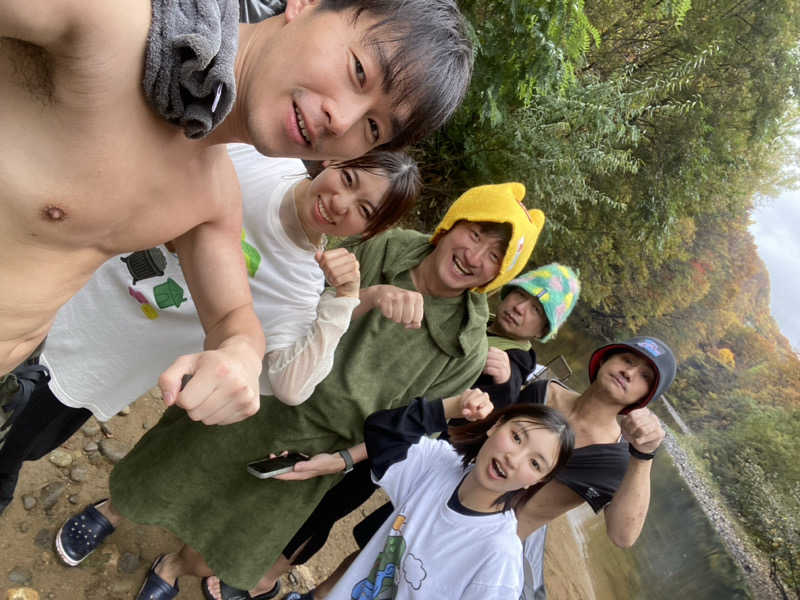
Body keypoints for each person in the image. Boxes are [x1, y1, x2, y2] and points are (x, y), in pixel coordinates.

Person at [56, 183, 545, 599]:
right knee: (172, 460)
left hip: (320, 449)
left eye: (494, 256)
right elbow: (299, 299)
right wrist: (367, 297)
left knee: (233, 528)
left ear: (498, 275)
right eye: (475, 234)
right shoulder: (387, 247)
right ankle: (114, 509)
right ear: (452, 224)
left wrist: (340, 461)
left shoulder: (467, 346)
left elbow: (407, 431)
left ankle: (174, 566)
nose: (473, 256)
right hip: (268, 387)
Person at [0, 0, 474, 429]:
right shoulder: (109, 28)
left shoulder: (212, 194)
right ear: (305, 5)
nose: (343, 120)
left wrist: (240, 358)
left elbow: (233, 319)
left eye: (372, 127)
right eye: (358, 70)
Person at [0, 144, 420, 514]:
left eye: (364, 210)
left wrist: (343, 300)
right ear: (334, 160)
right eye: (348, 179)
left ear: (370, 231)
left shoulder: (300, 287)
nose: (341, 203)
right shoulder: (260, 159)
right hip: (53, 295)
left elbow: (291, 386)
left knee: (16, 448)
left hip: (93, 371)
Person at [277, 263, 581, 600]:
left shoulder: (506, 370)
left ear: (543, 330)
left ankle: (274, 579)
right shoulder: (476, 324)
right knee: (376, 544)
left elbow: (469, 432)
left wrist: (348, 457)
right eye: (521, 295)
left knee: (326, 513)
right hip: (391, 437)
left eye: (536, 310)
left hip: (401, 455)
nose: (520, 308)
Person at [326, 390, 573, 599]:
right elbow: (380, 434)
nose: (513, 459)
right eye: (516, 437)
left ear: (537, 481)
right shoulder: (438, 464)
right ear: (496, 426)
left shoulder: (499, 557)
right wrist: (449, 407)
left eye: (535, 463)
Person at [515, 336, 676, 599]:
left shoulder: (614, 457)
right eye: (627, 359)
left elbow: (623, 536)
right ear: (604, 360)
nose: (629, 372)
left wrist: (644, 455)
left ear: (644, 397)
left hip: (505, 540)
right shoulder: (543, 391)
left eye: (644, 376)